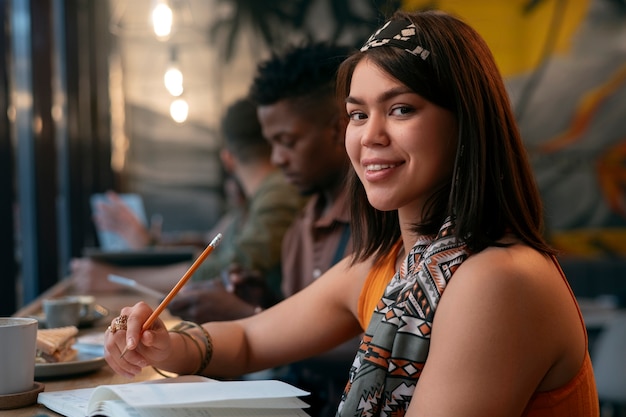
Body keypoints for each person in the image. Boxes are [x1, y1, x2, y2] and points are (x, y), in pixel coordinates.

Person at [103, 10, 599, 417]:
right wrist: (168, 346)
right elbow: (252, 338)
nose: (369, 136)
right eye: (358, 114)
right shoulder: (392, 263)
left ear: (465, 123)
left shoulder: (497, 280)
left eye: (401, 109)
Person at [168, 42, 355, 417]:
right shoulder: (301, 227)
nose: (277, 159)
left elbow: (374, 351)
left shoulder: (376, 221)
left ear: (338, 129)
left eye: (287, 142)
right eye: (271, 144)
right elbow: (304, 318)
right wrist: (265, 300)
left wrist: (251, 313)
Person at [71, 98, 306, 311]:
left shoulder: (279, 192)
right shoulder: (256, 200)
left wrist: (117, 277)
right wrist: (148, 243)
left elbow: (225, 268)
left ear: (228, 159)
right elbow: (209, 241)